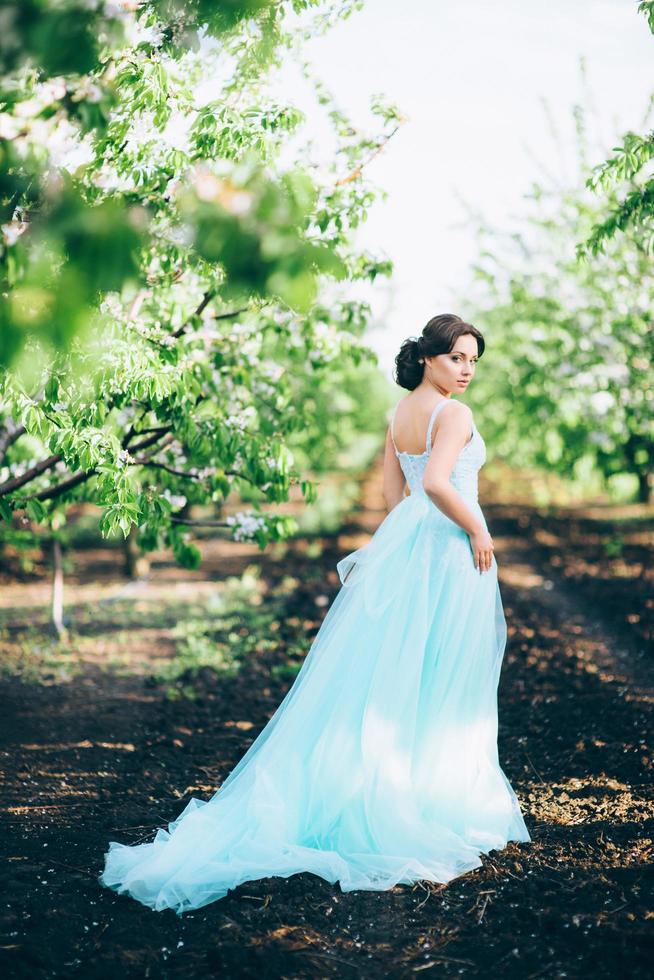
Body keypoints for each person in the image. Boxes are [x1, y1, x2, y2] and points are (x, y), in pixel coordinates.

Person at [99, 312, 531, 915]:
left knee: (395, 673)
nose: (466, 371)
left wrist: (410, 537)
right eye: (457, 357)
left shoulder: (401, 413)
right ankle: (429, 802)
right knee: (439, 678)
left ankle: (401, 790)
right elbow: (436, 482)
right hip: (449, 550)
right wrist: (477, 530)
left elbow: (392, 498)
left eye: (473, 361)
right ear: (429, 357)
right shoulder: (453, 414)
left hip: (410, 548)